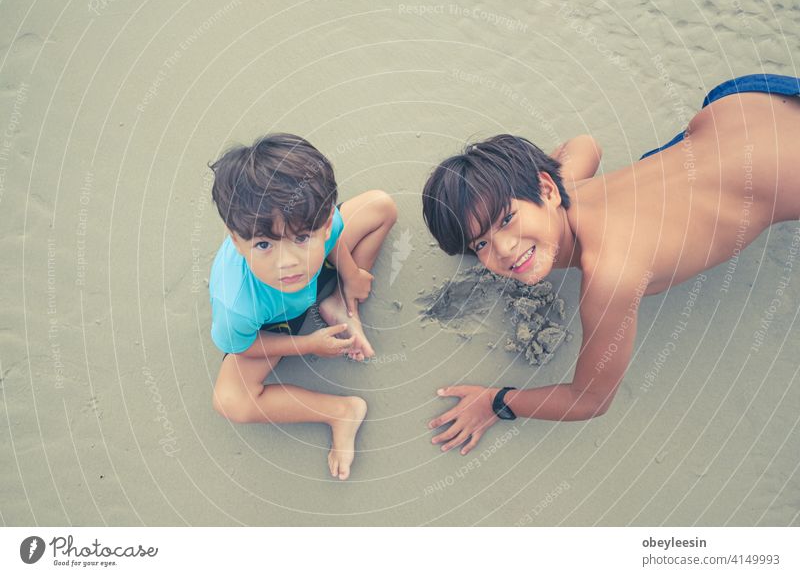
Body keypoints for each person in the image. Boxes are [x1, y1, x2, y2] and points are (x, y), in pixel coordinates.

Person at [421, 74, 800, 455]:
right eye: (481, 242)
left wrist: (495, 401)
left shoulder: (611, 276)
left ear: (547, 190)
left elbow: (589, 400)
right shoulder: (564, 186)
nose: (502, 250)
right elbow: (585, 145)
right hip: (742, 104)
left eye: (506, 219)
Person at [208, 133, 397, 479]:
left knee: (381, 206)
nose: (287, 263)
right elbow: (247, 346)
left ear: (322, 223)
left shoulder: (324, 226)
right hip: (274, 320)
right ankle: (339, 412)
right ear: (236, 240)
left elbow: (335, 237)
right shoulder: (236, 304)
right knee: (230, 400)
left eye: (300, 238)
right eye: (264, 244)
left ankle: (336, 299)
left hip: (322, 269)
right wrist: (308, 345)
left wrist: (351, 274)